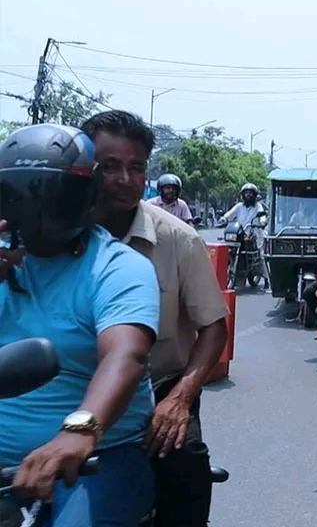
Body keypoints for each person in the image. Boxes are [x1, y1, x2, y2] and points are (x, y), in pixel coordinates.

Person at [0, 123, 160, 526]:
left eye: (52, 197)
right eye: (20, 197)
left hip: (95, 459)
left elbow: (126, 356)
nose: (36, 213)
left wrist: (80, 431)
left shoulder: (118, 268)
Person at [82, 110, 229, 527]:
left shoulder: (178, 239)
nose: (124, 179)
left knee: (184, 462)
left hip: (157, 389)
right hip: (74, 387)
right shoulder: (58, 233)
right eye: (110, 166)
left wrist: (179, 399)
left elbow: (213, 326)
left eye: (136, 167)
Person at [220, 183, 270, 289]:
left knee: (260, 257)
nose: (248, 195)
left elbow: (262, 216)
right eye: (246, 193)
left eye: (250, 193)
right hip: (239, 233)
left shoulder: (258, 207)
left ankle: (266, 279)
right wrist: (224, 219)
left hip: (254, 234)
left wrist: (262, 222)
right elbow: (230, 214)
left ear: (254, 195)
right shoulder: (239, 206)